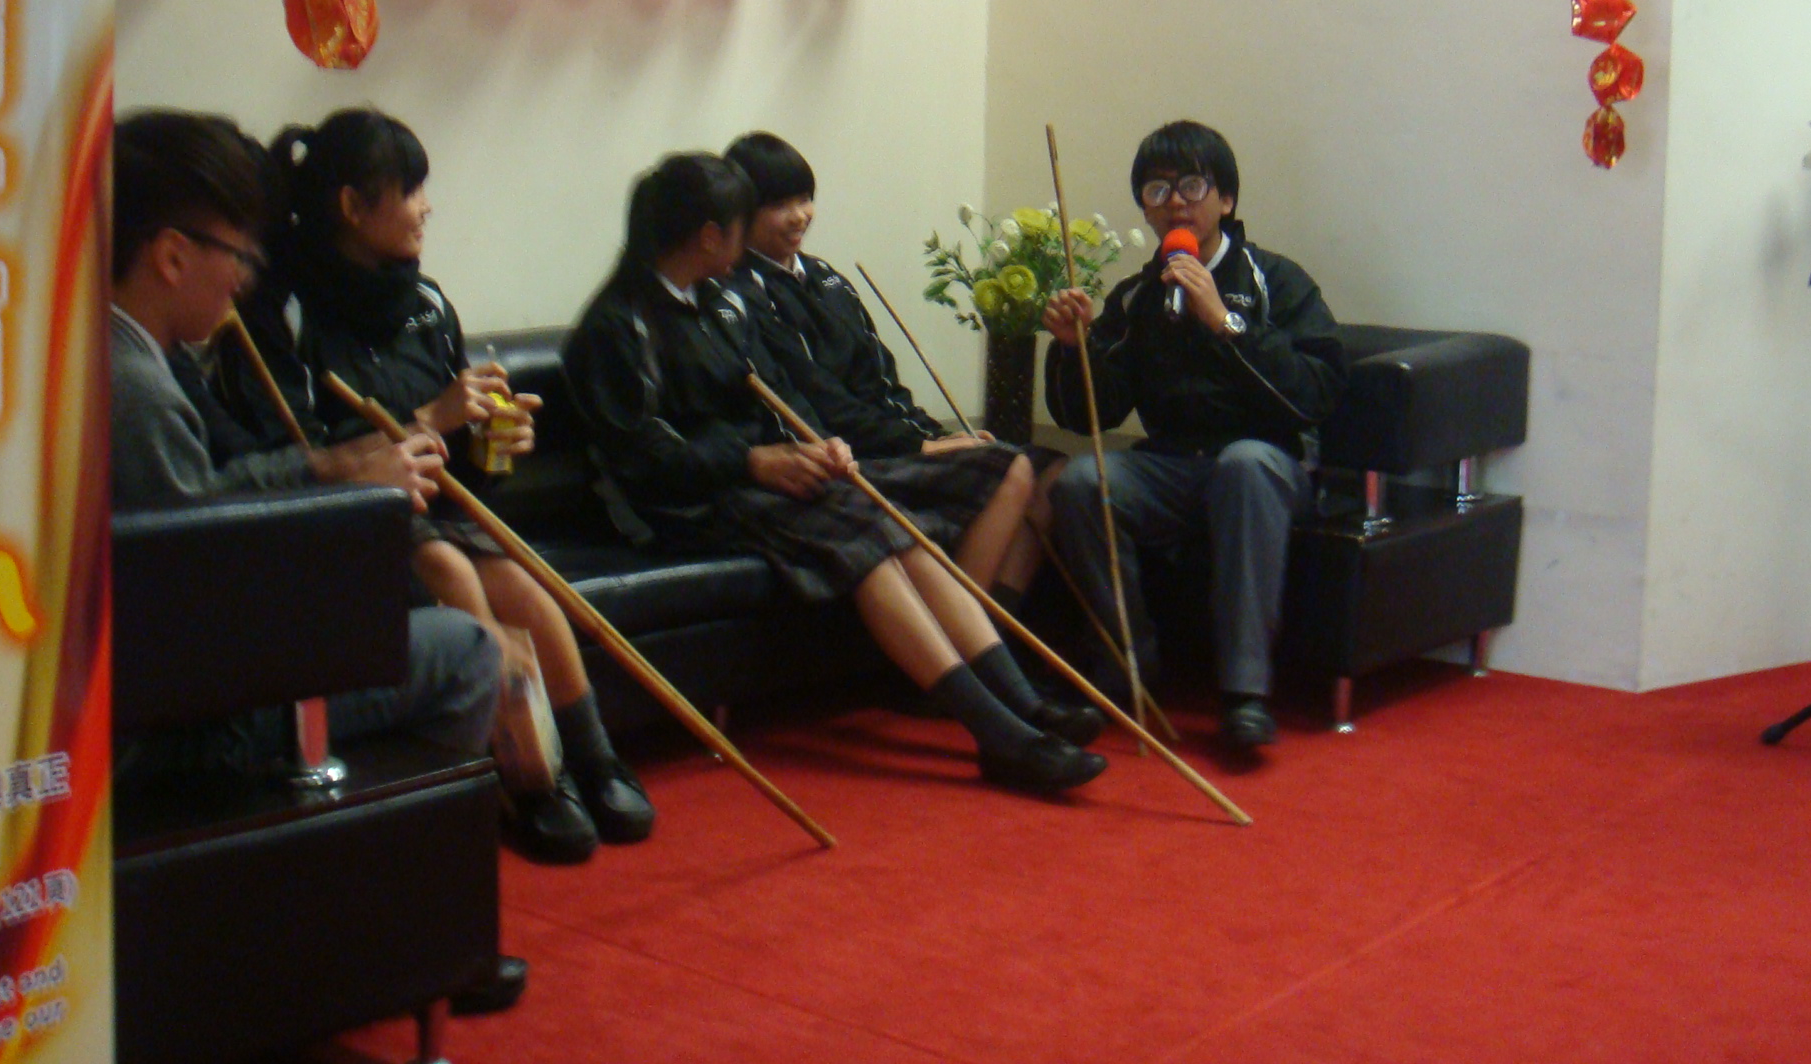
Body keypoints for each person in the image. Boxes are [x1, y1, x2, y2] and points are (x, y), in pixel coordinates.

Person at [109, 108, 527, 1015]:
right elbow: (201, 571)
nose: (246, 277)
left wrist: (333, 468)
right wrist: (348, 490)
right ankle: (407, 927)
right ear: (172, 255)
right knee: (465, 649)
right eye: (240, 254)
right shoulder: (140, 386)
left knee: (488, 612)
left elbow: (214, 491)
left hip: (181, 673)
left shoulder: (136, 355)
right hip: (176, 721)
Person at [565, 152, 1107, 793]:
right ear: (711, 235)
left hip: (758, 476)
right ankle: (1000, 734)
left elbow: (779, 392)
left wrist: (819, 443)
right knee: (863, 529)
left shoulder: (717, 303)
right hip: (687, 506)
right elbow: (646, 457)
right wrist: (750, 461)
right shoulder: (616, 327)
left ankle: (1024, 706)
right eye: (742, 222)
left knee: (892, 522)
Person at [228, 108, 653, 864]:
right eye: (411, 191)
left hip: (436, 506)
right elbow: (300, 455)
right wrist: (430, 417)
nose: (427, 208)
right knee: (451, 570)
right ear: (352, 206)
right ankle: (527, 776)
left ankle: (594, 760)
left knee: (525, 589)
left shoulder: (425, 304)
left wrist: (495, 444)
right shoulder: (281, 314)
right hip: (352, 520)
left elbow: (467, 469)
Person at [1042, 120, 1347, 752]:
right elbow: (1089, 417)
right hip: (1172, 465)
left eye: (1191, 186)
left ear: (1226, 198)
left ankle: (1245, 692)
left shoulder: (1275, 280)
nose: (1175, 202)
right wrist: (1073, 349)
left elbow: (1315, 397)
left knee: (1244, 466)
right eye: (1157, 190)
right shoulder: (1138, 297)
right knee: (1082, 481)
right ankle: (1126, 662)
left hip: (1268, 463)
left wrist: (1225, 322)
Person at [721, 131, 1055, 622]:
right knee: (1008, 468)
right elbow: (820, 404)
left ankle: (993, 634)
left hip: (886, 442)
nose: (799, 216)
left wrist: (939, 435)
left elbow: (882, 382)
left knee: (1050, 470)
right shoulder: (736, 296)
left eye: (805, 199)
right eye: (778, 205)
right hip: (845, 457)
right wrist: (920, 446)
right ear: (741, 212)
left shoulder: (828, 279)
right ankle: (967, 638)